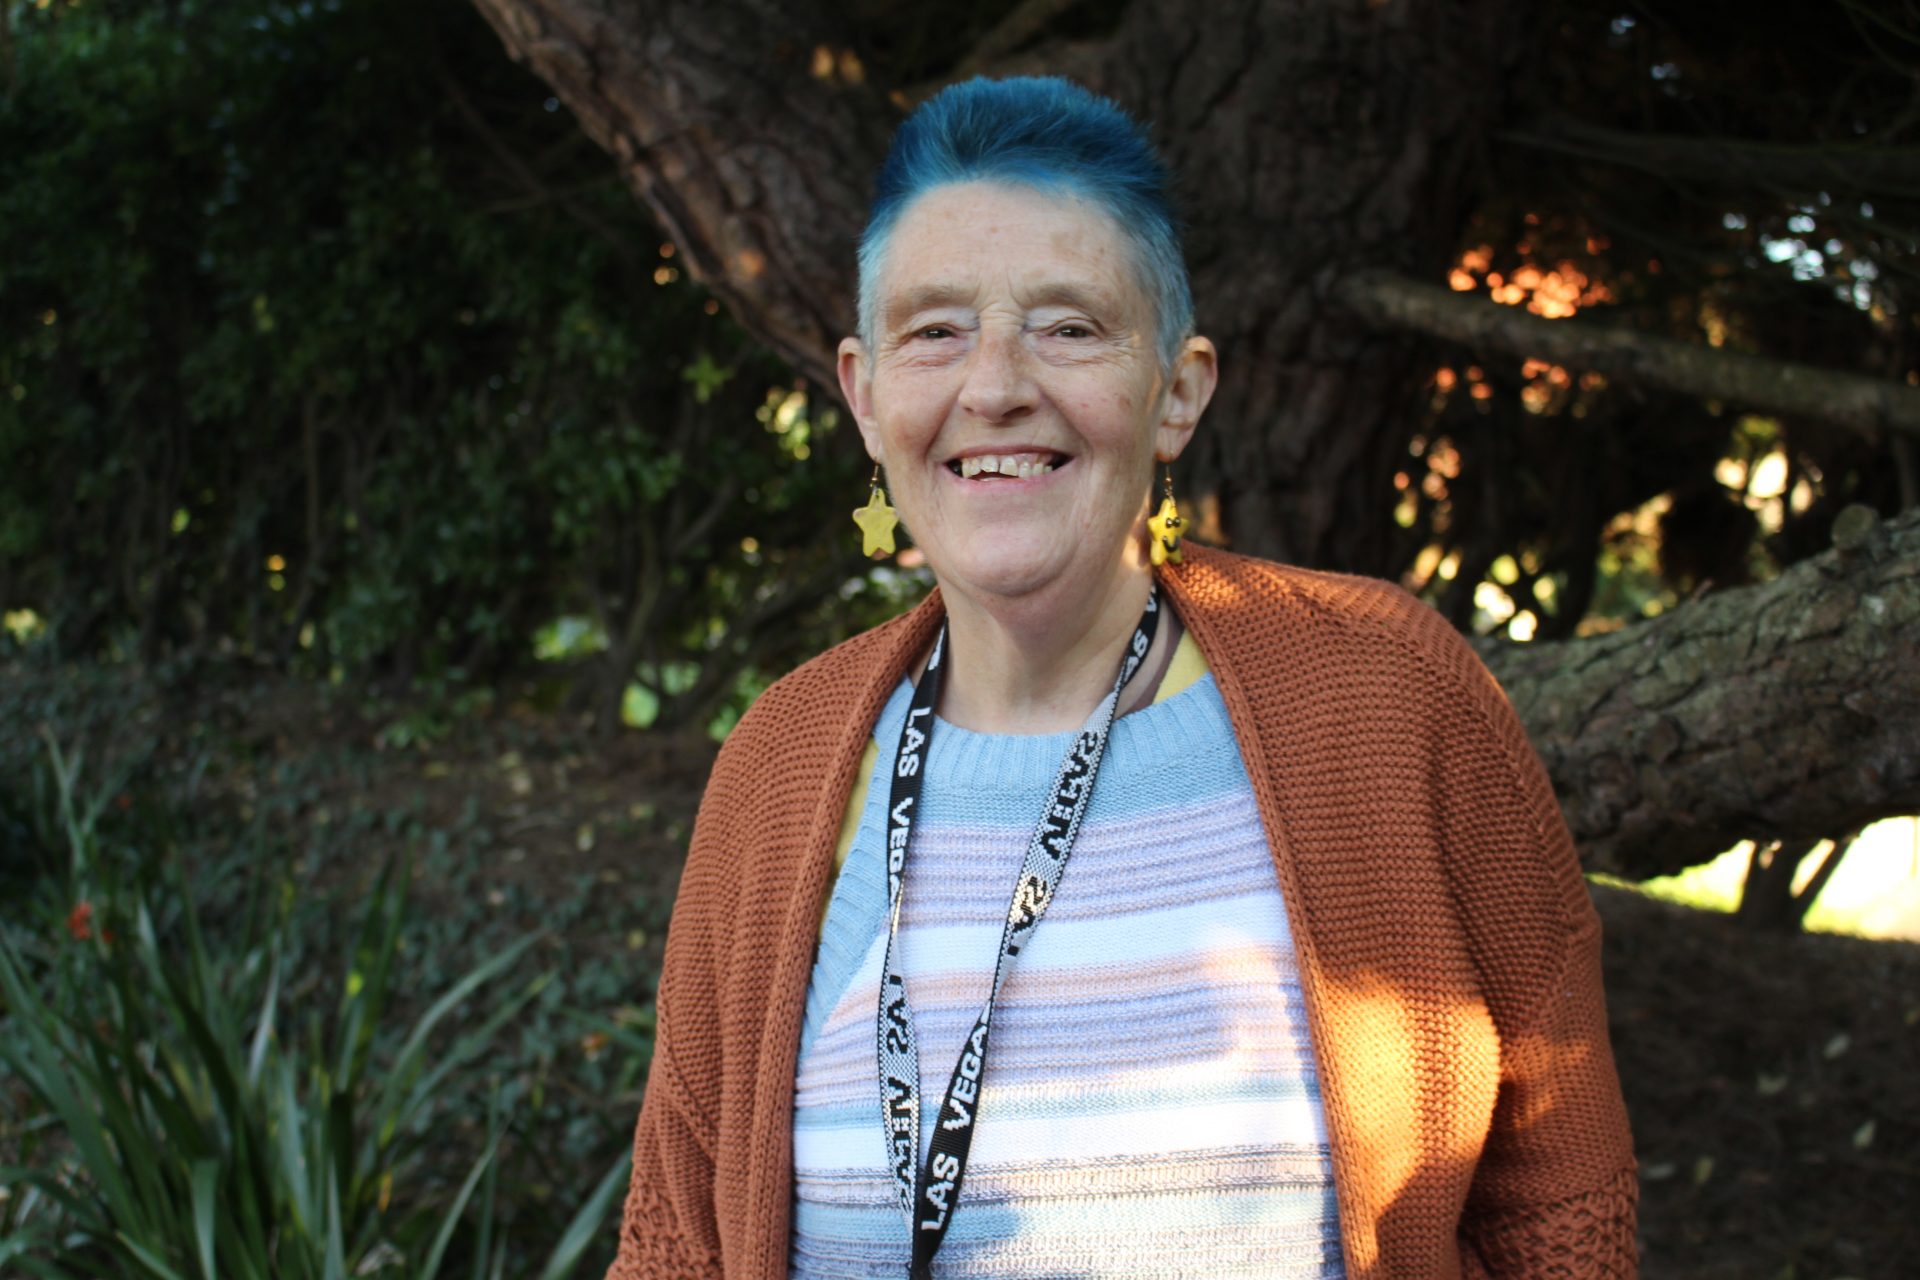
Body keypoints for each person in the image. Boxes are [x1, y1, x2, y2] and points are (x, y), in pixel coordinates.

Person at [604, 76, 1637, 1280]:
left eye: (1069, 326)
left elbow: (1558, 1208)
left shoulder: (1396, 700)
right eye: (935, 329)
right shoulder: (780, 764)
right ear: (865, 393)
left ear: (1179, 389)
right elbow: (676, 1245)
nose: (994, 386)